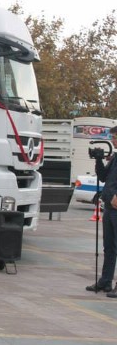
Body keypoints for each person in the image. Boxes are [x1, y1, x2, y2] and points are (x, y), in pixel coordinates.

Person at [86, 126, 117, 298]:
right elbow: (104, 177)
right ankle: (106, 280)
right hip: (110, 207)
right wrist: (98, 160)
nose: (112, 140)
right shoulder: (115, 157)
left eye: (115, 137)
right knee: (109, 247)